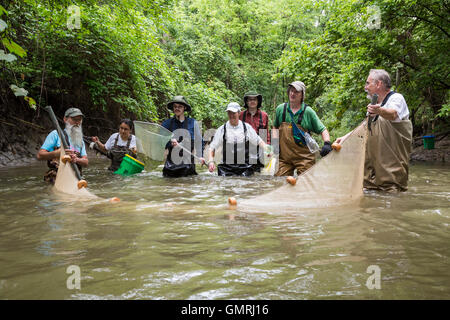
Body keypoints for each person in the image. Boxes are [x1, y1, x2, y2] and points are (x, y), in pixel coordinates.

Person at [335, 69, 412, 192]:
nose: (365, 87)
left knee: (392, 197)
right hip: (373, 174)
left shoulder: (397, 98)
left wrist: (379, 111)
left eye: (368, 83)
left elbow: (392, 114)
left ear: (379, 84)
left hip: (392, 172)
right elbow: (365, 126)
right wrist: (345, 137)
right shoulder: (374, 105)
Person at [273, 81, 331, 176]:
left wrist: (327, 143)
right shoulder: (280, 109)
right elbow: (275, 127)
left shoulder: (308, 112)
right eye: (291, 91)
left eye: (296, 92)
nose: (292, 94)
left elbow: (323, 130)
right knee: (279, 182)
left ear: (302, 95)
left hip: (305, 157)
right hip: (285, 158)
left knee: (306, 183)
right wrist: (275, 142)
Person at [208, 102, 271, 176]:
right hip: (226, 167)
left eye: (233, 113)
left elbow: (259, 141)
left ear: (239, 113)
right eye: (229, 113)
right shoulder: (222, 129)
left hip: (245, 167)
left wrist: (268, 149)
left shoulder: (247, 128)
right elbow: (212, 148)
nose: (231, 115)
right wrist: (211, 161)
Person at [37, 107, 88, 183]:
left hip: (75, 179)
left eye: (79, 120)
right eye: (74, 119)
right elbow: (39, 156)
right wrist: (57, 153)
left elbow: (86, 162)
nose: (77, 122)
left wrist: (76, 159)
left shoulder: (80, 140)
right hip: (56, 179)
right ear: (65, 119)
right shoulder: (56, 134)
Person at [161, 96, 205, 177]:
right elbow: (160, 141)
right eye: (175, 106)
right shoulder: (166, 124)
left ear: (184, 108)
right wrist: (170, 143)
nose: (177, 108)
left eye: (180, 106)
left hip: (188, 166)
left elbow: (199, 141)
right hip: (170, 167)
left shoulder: (193, 123)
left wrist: (200, 156)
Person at [239, 91, 271, 172]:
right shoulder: (240, 115)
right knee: (244, 173)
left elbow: (266, 133)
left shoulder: (264, 115)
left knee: (259, 172)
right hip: (245, 149)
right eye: (250, 99)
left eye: (254, 99)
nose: (252, 101)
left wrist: (268, 149)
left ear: (258, 101)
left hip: (260, 148)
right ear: (247, 102)